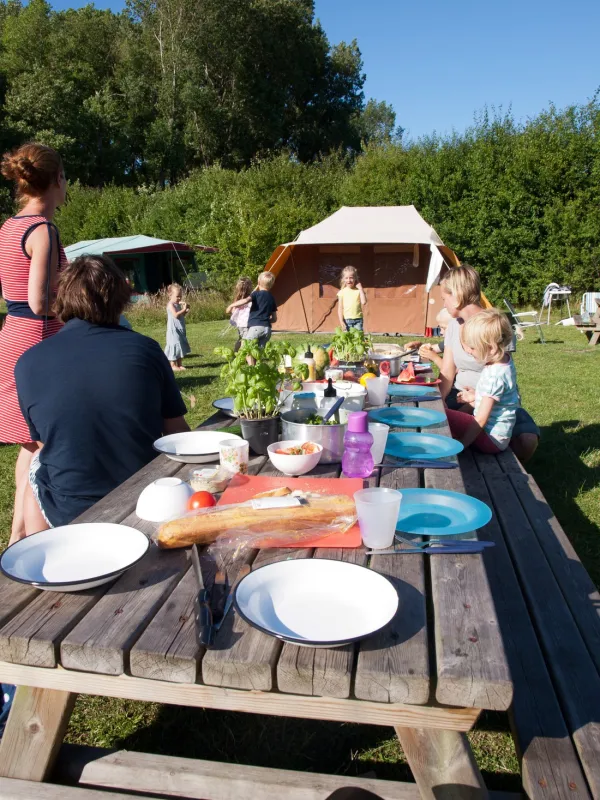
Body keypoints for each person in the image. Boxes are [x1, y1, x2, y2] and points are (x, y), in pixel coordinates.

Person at [14, 255, 189, 535]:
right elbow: (176, 431)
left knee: (37, 461)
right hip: (145, 498)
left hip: (69, 509)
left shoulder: (27, 362)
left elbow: (43, 440)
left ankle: (33, 545)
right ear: (120, 300)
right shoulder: (145, 349)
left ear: (62, 299)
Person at [0, 143, 68, 543]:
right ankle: (32, 540)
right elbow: (39, 300)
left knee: (29, 443)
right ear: (57, 179)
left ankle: (15, 538)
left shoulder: (8, 227)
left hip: (11, 336)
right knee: (46, 442)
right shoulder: (42, 229)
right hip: (37, 342)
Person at [439, 264, 539, 462]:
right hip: (463, 396)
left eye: (444, 299)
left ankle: (511, 475)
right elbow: (447, 372)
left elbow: (503, 374)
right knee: (443, 420)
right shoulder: (452, 326)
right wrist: (439, 401)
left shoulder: (495, 325)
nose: (444, 305)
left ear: (457, 297)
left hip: (496, 402)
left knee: (528, 440)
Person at [446, 309, 520, 452]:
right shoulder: (503, 362)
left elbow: (480, 419)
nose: (468, 351)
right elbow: (498, 399)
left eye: (473, 348)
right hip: (498, 438)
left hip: (489, 438)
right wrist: (476, 396)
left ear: (491, 349)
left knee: (441, 415)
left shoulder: (494, 375)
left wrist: (461, 446)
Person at [228, 271, 277, 348]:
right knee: (257, 352)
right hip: (267, 329)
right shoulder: (272, 298)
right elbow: (274, 319)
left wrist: (231, 305)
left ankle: (240, 358)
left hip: (255, 328)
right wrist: (264, 320)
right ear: (272, 284)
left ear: (258, 282)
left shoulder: (256, 294)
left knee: (247, 348)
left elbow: (245, 301)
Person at [164, 283, 191, 370]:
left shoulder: (177, 304)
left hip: (180, 328)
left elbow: (181, 315)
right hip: (173, 330)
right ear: (170, 295)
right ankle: (172, 365)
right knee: (174, 344)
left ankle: (179, 364)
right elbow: (175, 315)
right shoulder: (170, 305)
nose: (179, 298)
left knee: (180, 344)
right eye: (177, 296)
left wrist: (185, 310)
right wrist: (183, 309)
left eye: (180, 296)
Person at [226, 276, 253, 352]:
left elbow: (232, 311)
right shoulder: (250, 298)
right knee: (245, 340)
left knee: (241, 338)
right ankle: (241, 356)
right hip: (246, 323)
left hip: (240, 323)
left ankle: (236, 352)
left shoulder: (238, 298)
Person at [337, 266, 367, 331]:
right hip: (347, 321)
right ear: (343, 279)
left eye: (351, 278)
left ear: (355, 278)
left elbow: (364, 302)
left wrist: (361, 289)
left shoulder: (359, 291)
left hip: (358, 320)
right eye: (346, 278)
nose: (349, 280)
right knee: (348, 339)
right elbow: (340, 308)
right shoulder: (342, 292)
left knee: (358, 339)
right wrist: (341, 321)